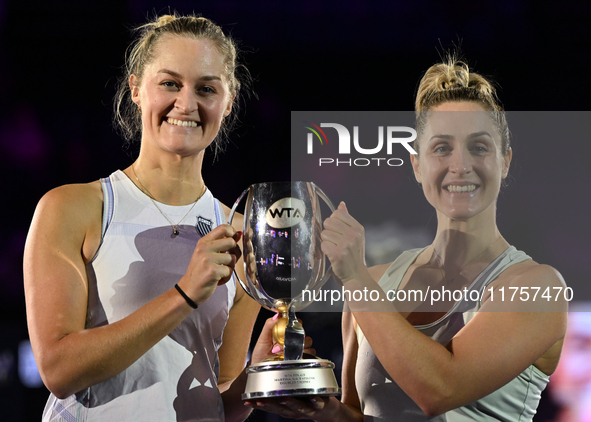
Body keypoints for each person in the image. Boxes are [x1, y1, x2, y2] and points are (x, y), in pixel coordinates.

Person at [246, 57, 568, 421]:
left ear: (505, 161)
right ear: (417, 165)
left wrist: (355, 277)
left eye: (479, 147)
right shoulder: (377, 282)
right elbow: (356, 414)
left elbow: (440, 389)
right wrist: (315, 402)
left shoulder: (538, 288)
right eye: (442, 148)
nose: (460, 164)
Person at [24, 13, 266, 422]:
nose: (186, 104)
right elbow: (59, 369)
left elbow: (221, 396)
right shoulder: (74, 209)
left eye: (206, 88)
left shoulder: (241, 236)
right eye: (170, 83)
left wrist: (259, 380)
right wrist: (185, 293)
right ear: (136, 88)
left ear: (228, 102)